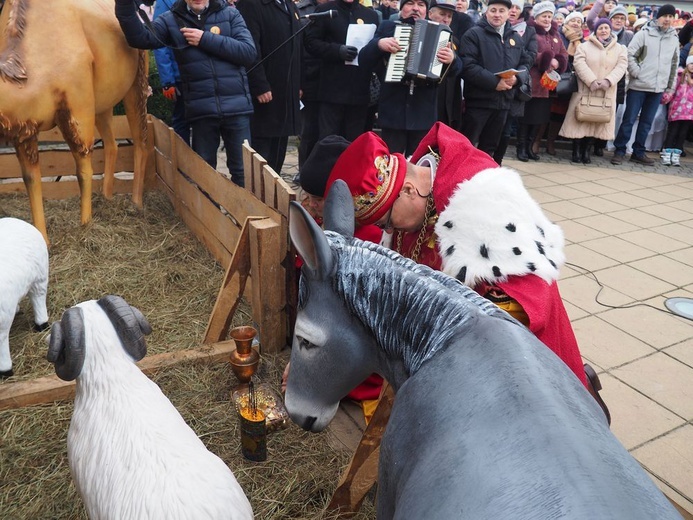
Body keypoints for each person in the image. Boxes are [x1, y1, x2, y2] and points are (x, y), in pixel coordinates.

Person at [324, 122, 610, 421]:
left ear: (408, 190)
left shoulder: (481, 202)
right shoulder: (417, 202)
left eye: (385, 222)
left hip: (509, 367)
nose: (388, 231)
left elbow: (518, 308)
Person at [115, 0, 256, 187]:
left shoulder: (230, 14)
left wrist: (204, 39)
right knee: (204, 173)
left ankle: (244, 215)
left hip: (236, 107)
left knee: (243, 172)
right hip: (202, 109)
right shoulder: (170, 19)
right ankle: (207, 216)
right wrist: (124, 4)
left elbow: (248, 52)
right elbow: (141, 39)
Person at [359, 0, 461, 155]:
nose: (415, 8)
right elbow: (364, 59)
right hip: (393, 109)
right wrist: (379, 44)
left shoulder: (441, 33)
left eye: (421, 5)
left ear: (427, 11)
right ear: (402, 7)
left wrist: (452, 59)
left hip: (423, 111)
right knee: (391, 163)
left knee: (417, 163)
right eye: (410, 3)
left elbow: (458, 69)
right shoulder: (388, 27)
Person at [236, 0, 302, 175]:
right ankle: (259, 197)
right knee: (262, 154)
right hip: (266, 91)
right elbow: (251, 49)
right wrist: (259, 85)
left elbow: (298, 47)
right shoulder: (251, 5)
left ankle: (274, 196)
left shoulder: (289, 5)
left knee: (278, 150)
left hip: (286, 91)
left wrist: (299, 83)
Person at [459, 0, 532, 158]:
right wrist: (494, 82)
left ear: (508, 13)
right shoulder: (474, 34)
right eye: (493, 10)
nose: (497, 14)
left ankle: (485, 180)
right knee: (467, 146)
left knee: (490, 148)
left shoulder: (515, 37)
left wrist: (518, 79)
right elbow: (468, 66)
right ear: (486, 12)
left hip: (504, 103)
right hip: (479, 103)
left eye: (501, 11)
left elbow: (526, 62)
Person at [611, 4, 679, 166]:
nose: (667, 19)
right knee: (629, 119)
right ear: (658, 17)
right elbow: (630, 54)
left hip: (658, 88)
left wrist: (670, 87)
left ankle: (638, 152)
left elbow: (674, 64)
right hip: (639, 86)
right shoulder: (644, 34)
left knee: (646, 122)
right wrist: (637, 72)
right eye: (665, 16)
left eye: (671, 16)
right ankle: (619, 150)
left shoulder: (674, 38)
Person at [303, 0, 379, 141]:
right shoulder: (325, 10)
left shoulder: (371, 15)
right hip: (331, 91)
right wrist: (337, 50)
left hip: (359, 92)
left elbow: (376, 49)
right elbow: (311, 42)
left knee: (354, 142)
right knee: (328, 140)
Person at [559, 18, 627, 163]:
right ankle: (576, 150)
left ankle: (587, 150)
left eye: (606, 28)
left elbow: (621, 66)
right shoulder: (584, 46)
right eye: (601, 28)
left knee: (597, 120)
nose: (604, 30)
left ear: (610, 30)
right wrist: (591, 80)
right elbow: (579, 62)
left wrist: (608, 80)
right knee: (580, 118)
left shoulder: (619, 49)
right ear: (596, 30)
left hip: (606, 91)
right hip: (585, 89)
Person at [517, 1, 568, 162]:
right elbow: (525, 52)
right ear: (536, 17)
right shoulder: (530, 31)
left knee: (539, 118)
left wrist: (558, 62)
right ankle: (521, 147)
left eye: (549, 16)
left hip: (547, 85)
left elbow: (564, 53)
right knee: (526, 118)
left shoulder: (555, 35)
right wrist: (546, 59)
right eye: (543, 16)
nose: (547, 19)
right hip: (531, 82)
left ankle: (531, 146)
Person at [493, 0, 538, 165]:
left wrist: (516, 76)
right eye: (510, 8)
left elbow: (531, 57)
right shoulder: (491, 27)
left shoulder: (528, 30)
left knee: (505, 131)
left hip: (514, 88)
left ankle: (498, 162)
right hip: (492, 85)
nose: (513, 11)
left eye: (517, 8)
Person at [153, 0, 191, 145]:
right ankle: (182, 163)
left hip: (201, 74)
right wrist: (168, 81)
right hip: (179, 75)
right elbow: (159, 43)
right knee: (182, 121)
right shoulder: (164, 2)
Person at [660, 56, 693, 166]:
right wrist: (665, 98)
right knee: (672, 132)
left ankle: (676, 155)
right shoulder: (680, 75)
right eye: (691, 63)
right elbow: (672, 90)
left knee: (682, 134)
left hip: (689, 113)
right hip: (677, 110)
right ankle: (667, 153)